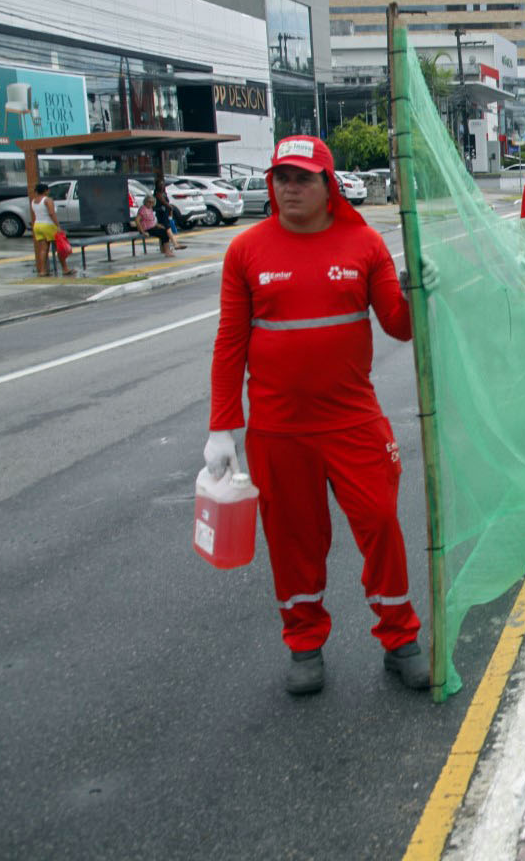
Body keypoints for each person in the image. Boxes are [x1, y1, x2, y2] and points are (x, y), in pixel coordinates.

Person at [205, 134, 429, 696]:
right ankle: (304, 645)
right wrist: (221, 426)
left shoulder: (365, 244)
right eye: (282, 177)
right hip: (278, 432)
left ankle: (400, 638)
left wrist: (416, 296)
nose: (291, 188)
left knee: (380, 522)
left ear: (330, 186)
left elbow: (399, 328)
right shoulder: (247, 251)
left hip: (354, 421)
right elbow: (230, 342)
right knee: (294, 541)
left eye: (304, 178)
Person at [28, 183, 75, 277]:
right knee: (60, 248)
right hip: (48, 225)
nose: (49, 191)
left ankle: (42, 270)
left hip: (38, 225)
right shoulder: (47, 200)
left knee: (43, 250)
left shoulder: (33, 201)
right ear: (45, 191)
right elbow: (51, 213)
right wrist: (58, 226)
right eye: (48, 190)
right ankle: (65, 269)